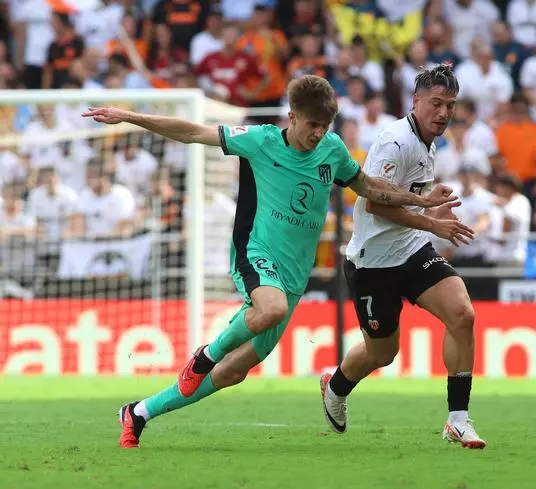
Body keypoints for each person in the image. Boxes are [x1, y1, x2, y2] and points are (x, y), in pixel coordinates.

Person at [82, 74, 469, 448]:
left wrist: (422, 201)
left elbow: (368, 187)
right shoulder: (260, 141)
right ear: (292, 117)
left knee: (234, 372)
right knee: (268, 310)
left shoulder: (332, 150)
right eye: (312, 125)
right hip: (256, 253)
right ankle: (204, 355)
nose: (317, 133)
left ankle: (139, 413)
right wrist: (131, 117)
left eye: (325, 125)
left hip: (294, 273)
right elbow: (191, 131)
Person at [320, 64, 487, 449]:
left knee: (462, 314)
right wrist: (431, 223)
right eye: (436, 104)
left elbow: (405, 200)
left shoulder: (429, 143)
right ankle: (337, 385)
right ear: (416, 102)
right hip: (372, 263)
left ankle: (458, 420)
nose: (444, 113)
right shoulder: (396, 142)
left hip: (411, 251)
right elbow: (375, 203)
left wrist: (429, 217)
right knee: (383, 353)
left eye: (450, 105)